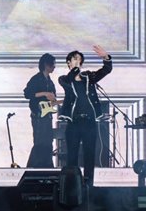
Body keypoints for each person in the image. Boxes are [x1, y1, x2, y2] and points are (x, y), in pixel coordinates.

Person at [58, 45, 112, 184]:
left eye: (79, 59)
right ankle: (72, 186)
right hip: (74, 123)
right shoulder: (64, 79)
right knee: (72, 156)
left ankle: (89, 185)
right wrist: (75, 69)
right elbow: (69, 79)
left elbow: (106, 70)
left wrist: (106, 57)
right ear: (69, 62)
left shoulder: (88, 78)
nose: (78, 61)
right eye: (74, 59)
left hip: (89, 123)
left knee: (89, 155)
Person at [24, 53, 58, 168]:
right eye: (53, 64)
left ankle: (47, 166)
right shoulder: (36, 79)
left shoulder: (50, 81)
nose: (54, 67)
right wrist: (44, 93)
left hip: (47, 116)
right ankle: (34, 166)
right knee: (39, 142)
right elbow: (27, 93)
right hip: (38, 115)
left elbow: (53, 100)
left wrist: (54, 99)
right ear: (46, 65)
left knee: (48, 141)